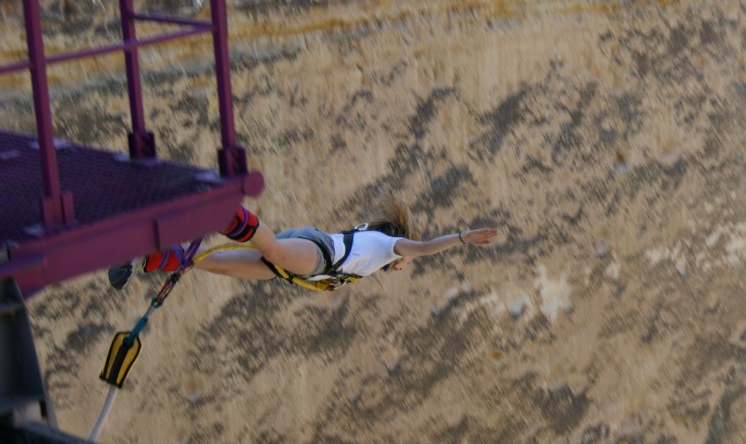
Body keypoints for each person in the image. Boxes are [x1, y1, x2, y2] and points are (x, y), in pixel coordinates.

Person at [108, 199, 498, 291]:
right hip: (318, 256)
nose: (406, 262)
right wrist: (463, 238)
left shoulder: (371, 246)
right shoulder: (391, 246)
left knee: (224, 265)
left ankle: (153, 258)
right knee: (272, 251)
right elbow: (426, 247)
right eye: (406, 261)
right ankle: (228, 213)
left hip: (314, 251)